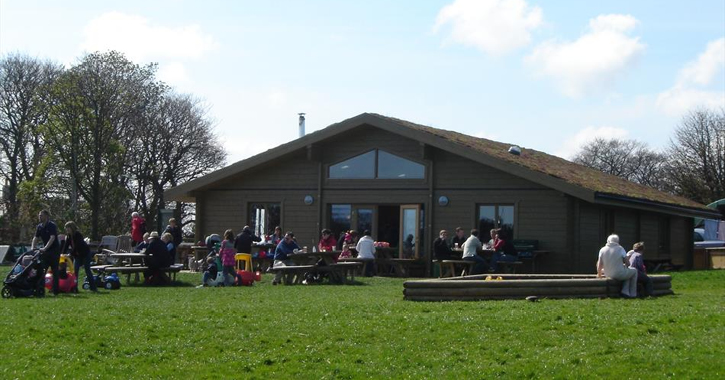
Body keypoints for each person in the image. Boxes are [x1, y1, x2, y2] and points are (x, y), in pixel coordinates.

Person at [62, 221, 97, 292]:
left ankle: (93, 288)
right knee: (75, 271)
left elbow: (77, 246)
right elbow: (66, 246)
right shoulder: (68, 236)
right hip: (77, 256)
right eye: (66, 228)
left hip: (85, 254)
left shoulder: (78, 235)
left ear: (72, 228)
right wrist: (62, 254)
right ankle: (74, 288)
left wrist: (70, 254)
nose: (67, 230)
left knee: (87, 270)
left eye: (68, 228)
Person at [32, 210, 61, 295]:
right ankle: (41, 289)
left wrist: (45, 248)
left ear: (46, 216)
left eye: (41, 215)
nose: (40, 217)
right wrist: (33, 247)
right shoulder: (39, 227)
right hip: (45, 252)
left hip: (54, 251)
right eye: (39, 215)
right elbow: (35, 237)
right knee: (42, 270)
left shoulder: (52, 225)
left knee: (55, 271)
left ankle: (55, 290)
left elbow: (52, 238)